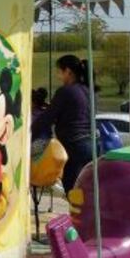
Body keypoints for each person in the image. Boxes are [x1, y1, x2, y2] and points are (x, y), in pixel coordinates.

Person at [31, 55, 93, 192]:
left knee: (73, 190)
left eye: (59, 71)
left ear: (68, 72)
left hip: (74, 146)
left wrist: (30, 132)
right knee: (86, 190)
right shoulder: (88, 90)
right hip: (92, 144)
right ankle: (88, 214)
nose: (58, 76)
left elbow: (46, 119)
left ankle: (78, 214)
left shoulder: (66, 91)